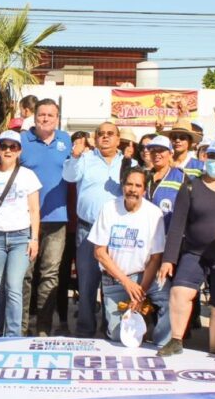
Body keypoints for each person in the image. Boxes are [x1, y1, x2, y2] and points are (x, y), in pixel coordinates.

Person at [159, 139, 215, 356]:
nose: (214, 162)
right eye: (211, 156)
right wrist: (168, 259)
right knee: (179, 293)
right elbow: (177, 225)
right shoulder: (190, 186)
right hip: (194, 253)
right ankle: (176, 340)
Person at [88, 166, 170, 345]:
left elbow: (156, 258)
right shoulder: (109, 208)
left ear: (144, 189)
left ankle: (162, 342)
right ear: (122, 186)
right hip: (115, 278)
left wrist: (140, 292)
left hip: (145, 275)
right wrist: (126, 282)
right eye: (129, 184)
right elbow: (99, 252)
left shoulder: (154, 213)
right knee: (119, 338)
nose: (133, 189)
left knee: (172, 300)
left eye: (138, 186)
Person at [0, 130, 42, 338]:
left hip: (20, 237)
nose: (8, 150)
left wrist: (35, 239)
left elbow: (34, 210)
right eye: (4, 146)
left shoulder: (28, 175)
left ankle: (13, 334)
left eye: (13, 147)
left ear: (19, 151)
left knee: (13, 285)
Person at [63, 121, 124, 338]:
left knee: (112, 284)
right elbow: (69, 177)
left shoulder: (127, 162)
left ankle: (112, 330)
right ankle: (85, 330)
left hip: (116, 233)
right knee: (87, 283)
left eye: (110, 134)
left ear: (118, 138)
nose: (105, 137)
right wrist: (76, 156)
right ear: (94, 138)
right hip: (87, 230)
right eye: (101, 134)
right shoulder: (86, 159)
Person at [18, 98, 71, 336]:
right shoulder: (21, 141)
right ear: (34, 116)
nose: (46, 118)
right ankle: (20, 325)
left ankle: (43, 327)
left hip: (56, 218)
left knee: (50, 274)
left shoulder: (66, 141)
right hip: (25, 219)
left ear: (57, 118)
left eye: (50, 115)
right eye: (42, 114)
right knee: (25, 274)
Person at [143, 136, 186, 230]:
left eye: (161, 150)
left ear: (170, 154)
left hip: (168, 234)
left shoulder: (181, 177)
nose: (157, 154)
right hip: (145, 233)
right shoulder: (144, 176)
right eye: (153, 150)